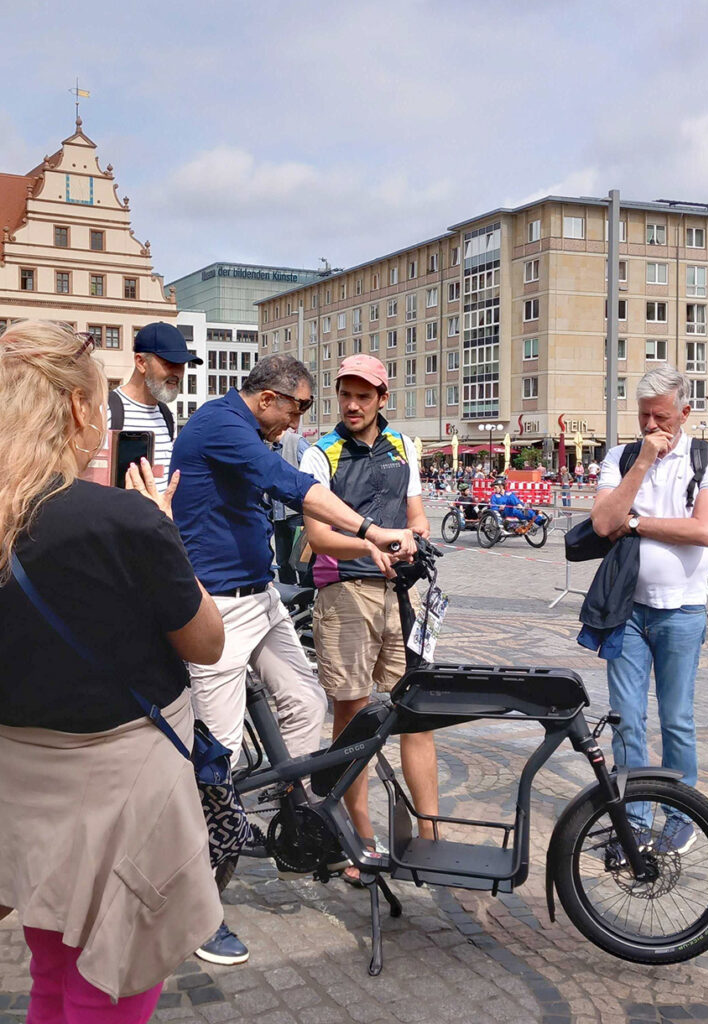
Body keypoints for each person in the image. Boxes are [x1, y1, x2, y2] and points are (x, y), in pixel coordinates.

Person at [0, 320, 225, 1022]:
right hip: (121, 783)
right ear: (75, 408)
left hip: (21, 776)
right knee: (114, 980)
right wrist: (160, 525)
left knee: (50, 971)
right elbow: (206, 644)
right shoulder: (122, 521)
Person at [170, 353, 415, 963]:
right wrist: (367, 529)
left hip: (261, 597)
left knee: (307, 705)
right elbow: (293, 486)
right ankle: (199, 910)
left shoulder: (249, 426)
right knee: (216, 759)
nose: (300, 420)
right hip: (218, 609)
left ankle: (297, 825)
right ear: (269, 397)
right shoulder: (221, 423)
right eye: (299, 407)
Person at [300, 355, 439, 884]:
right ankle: (359, 835)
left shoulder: (404, 446)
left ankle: (430, 838)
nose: (353, 405)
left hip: (399, 594)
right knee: (353, 714)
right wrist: (369, 542)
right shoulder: (321, 454)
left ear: (384, 398)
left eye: (364, 395)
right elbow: (318, 539)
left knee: (417, 709)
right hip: (346, 593)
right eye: (345, 394)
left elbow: (417, 513)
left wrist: (414, 536)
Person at [590, 365, 708, 854]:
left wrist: (638, 523)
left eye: (662, 417)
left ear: (685, 412)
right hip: (626, 611)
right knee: (627, 719)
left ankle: (679, 814)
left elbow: (704, 531)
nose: (651, 426)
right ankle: (633, 818)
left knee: (676, 719)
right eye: (644, 416)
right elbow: (605, 523)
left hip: (683, 612)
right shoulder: (621, 457)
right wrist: (642, 465)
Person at [107, 321, 202, 493]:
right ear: (141, 362)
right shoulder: (105, 410)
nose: (178, 373)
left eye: (182, 365)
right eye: (170, 363)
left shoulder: (167, 416)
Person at [271, 427, 310, 584]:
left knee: (302, 561)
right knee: (283, 562)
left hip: (297, 514)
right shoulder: (271, 449)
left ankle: (306, 599)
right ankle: (290, 601)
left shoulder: (297, 442)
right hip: (278, 514)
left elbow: (311, 473)